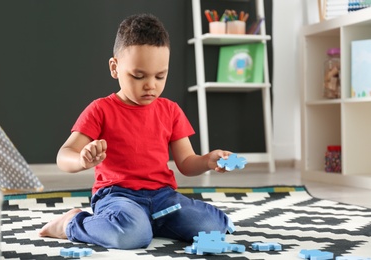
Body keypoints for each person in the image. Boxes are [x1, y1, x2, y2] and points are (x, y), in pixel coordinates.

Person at [39, 13, 235, 249]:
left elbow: (186, 162)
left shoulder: (170, 110)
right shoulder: (101, 109)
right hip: (117, 196)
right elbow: (64, 155)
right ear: (115, 67)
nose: (151, 85)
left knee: (214, 225)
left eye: (160, 76)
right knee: (131, 236)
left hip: (163, 197)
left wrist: (207, 161)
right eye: (138, 76)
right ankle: (72, 223)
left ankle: (149, 222)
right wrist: (82, 159)